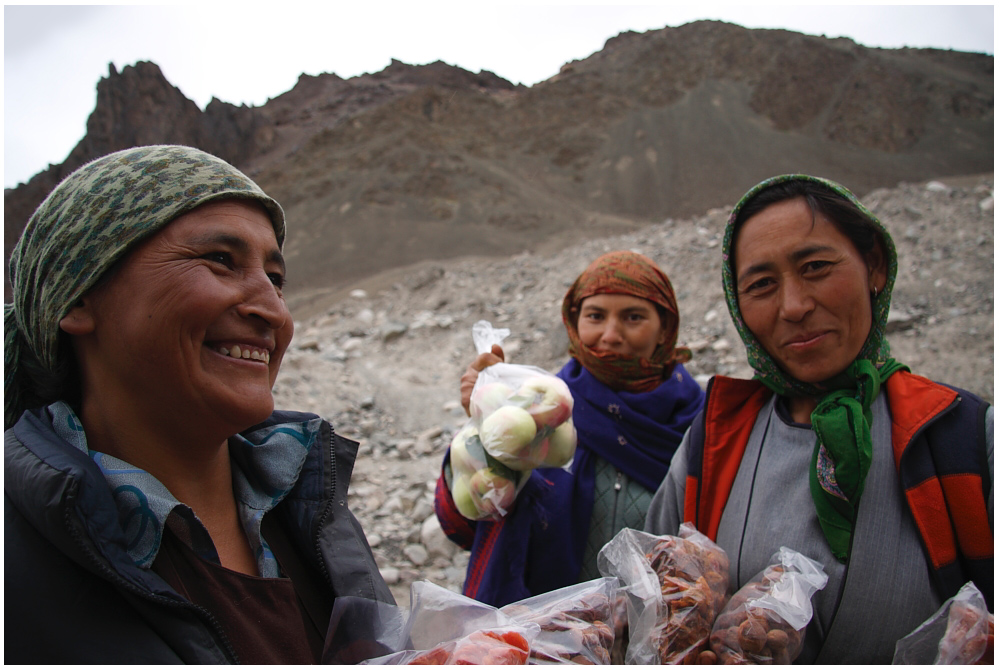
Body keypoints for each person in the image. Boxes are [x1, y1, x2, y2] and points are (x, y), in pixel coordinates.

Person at [4, 145, 394, 664]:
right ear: (78, 297)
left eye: (276, 279)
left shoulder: (308, 503)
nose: (272, 309)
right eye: (219, 261)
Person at [645, 174, 993, 663]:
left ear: (873, 266)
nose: (794, 306)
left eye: (816, 267)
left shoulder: (961, 436)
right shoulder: (715, 440)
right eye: (762, 285)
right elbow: (654, 606)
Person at [434, 250, 705, 606]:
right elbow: (462, 524)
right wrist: (483, 429)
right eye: (595, 316)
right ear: (574, 323)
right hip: (538, 642)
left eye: (633, 317)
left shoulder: (702, 427)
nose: (610, 335)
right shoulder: (539, 410)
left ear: (665, 329)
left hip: (658, 644)